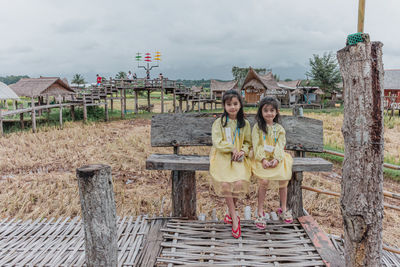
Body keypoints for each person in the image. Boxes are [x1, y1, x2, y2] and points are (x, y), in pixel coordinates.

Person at [209, 89, 252, 239]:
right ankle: (235, 219)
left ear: (240, 104)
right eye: (229, 104)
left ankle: (229, 214)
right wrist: (231, 148)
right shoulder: (219, 123)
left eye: (235, 103)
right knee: (226, 185)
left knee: (239, 184)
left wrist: (243, 151)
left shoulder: (244, 123)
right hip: (222, 157)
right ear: (224, 106)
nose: (232, 107)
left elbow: (248, 142)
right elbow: (217, 142)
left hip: (238, 159)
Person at [252, 97, 293, 229]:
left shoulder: (279, 128)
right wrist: (263, 159)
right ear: (261, 112)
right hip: (261, 158)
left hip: (276, 158)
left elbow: (281, 145)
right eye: (266, 110)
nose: (269, 113)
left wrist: (276, 159)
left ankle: (283, 208)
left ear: (276, 112)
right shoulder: (258, 128)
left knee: (283, 177)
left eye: (272, 110)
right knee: (264, 181)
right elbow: (256, 145)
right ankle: (260, 210)